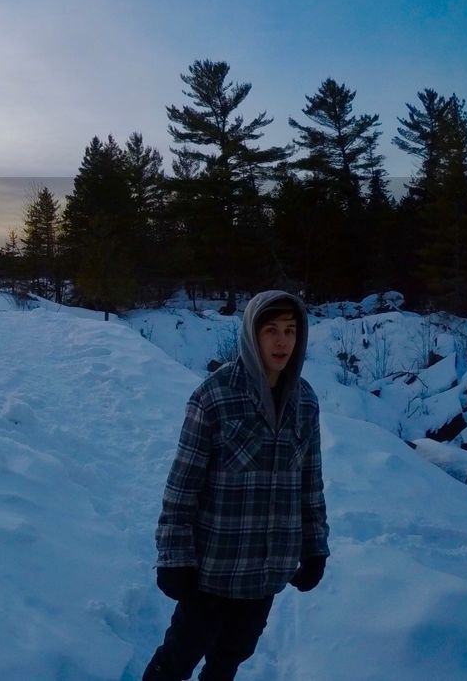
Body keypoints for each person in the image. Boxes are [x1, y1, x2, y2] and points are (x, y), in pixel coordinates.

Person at [143, 290, 330, 681]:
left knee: (230, 658)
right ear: (251, 335)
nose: (282, 342)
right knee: (176, 660)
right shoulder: (215, 396)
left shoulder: (305, 402)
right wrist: (174, 558)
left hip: (266, 573)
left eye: (291, 331)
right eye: (272, 331)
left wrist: (315, 549)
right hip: (212, 570)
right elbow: (182, 487)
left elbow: (310, 484)